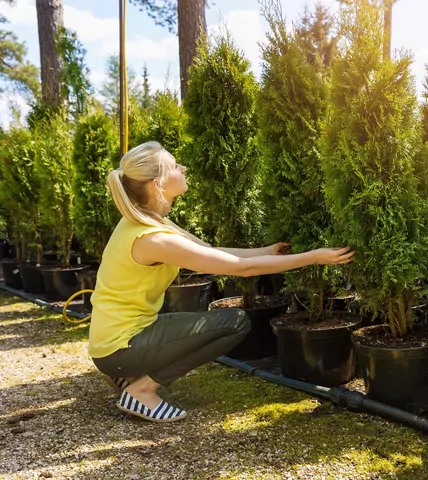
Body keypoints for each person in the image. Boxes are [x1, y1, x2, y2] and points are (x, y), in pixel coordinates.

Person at [89, 141, 354, 424]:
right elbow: (242, 269)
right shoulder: (155, 238)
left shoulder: (145, 221)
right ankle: (142, 390)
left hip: (113, 341)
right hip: (120, 345)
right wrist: (313, 257)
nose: (183, 168)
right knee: (234, 323)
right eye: (175, 165)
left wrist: (265, 251)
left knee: (199, 325)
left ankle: (126, 373)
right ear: (158, 184)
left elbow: (212, 252)